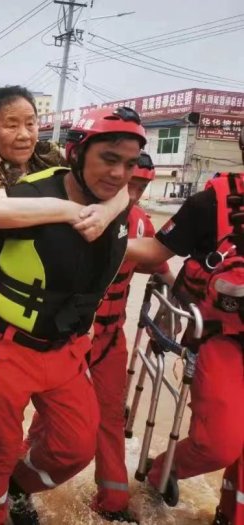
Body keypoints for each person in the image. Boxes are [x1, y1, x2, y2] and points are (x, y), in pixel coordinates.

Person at [0, 106, 147, 525]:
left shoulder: (119, 201)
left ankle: (16, 489)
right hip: (5, 349)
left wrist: (113, 206)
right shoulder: (24, 197)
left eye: (129, 164)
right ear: (77, 153)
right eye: (109, 159)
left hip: (67, 352)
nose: (118, 173)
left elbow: (125, 199)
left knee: (76, 447)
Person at [126, 126, 244, 525]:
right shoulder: (210, 202)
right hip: (221, 339)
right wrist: (96, 239)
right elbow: (158, 252)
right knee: (219, 445)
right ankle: (161, 472)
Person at [86, 151, 173, 523]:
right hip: (68, 339)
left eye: (140, 186)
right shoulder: (79, 213)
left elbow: (163, 267)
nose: (133, 193)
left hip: (108, 339)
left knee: (109, 416)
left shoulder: (140, 224)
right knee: (56, 419)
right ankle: (24, 479)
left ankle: (113, 502)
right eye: (129, 184)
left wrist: (173, 309)